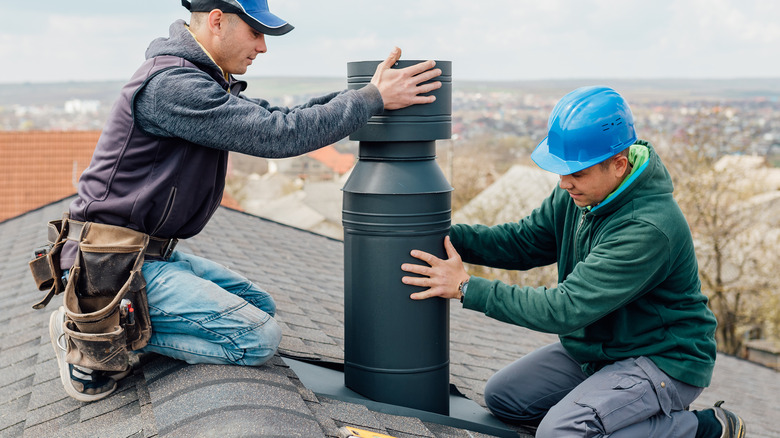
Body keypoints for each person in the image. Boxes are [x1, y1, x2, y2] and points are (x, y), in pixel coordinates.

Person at [47, 0, 442, 402]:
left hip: (148, 256)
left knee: (259, 305)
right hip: (110, 264)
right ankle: (95, 332)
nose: (263, 46)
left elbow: (282, 114)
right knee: (257, 339)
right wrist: (371, 98)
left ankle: (119, 322)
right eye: (256, 32)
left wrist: (365, 94)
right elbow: (279, 134)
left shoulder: (201, 80)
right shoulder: (171, 86)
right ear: (217, 21)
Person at [401, 86, 746, 437]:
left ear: (618, 166)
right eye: (562, 171)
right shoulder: (583, 193)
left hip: (661, 360)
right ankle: (614, 409)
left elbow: (564, 309)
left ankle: (702, 429)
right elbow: (524, 242)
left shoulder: (648, 228)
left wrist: (466, 287)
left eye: (577, 173)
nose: (565, 183)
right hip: (600, 350)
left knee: (559, 432)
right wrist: (446, 236)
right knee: (504, 398)